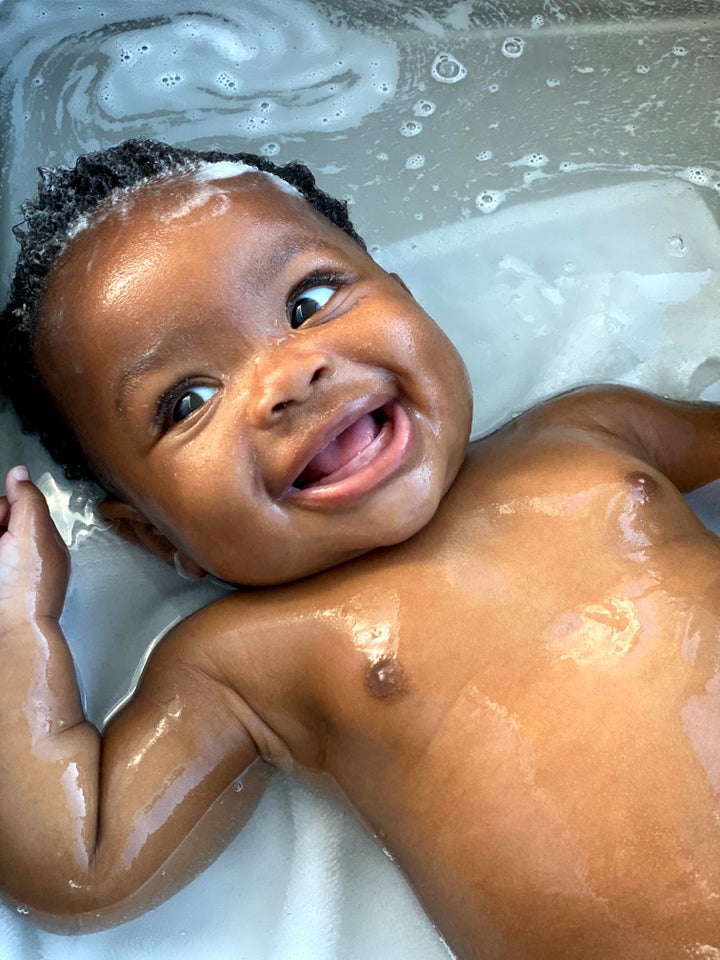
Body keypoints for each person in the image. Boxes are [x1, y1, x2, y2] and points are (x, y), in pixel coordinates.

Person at [1, 138, 720, 960]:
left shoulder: (592, 431)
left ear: (407, 300)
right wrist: (19, 623)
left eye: (308, 303)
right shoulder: (245, 659)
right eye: (188, 402)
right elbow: (81, 871)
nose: (289, 377)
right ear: (154, 533)